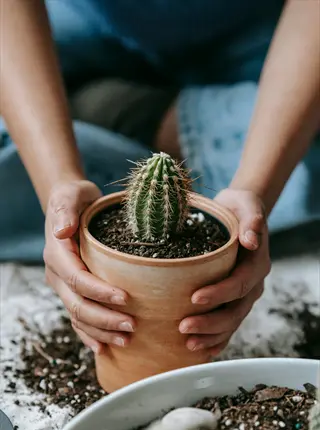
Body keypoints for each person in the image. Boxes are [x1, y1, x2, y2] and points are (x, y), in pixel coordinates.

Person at [0, 0, 319, 355]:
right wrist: (58, 182)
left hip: (264, 44)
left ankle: (137, 117)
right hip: (80, 24)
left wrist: (254, 189)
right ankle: (177, 127)